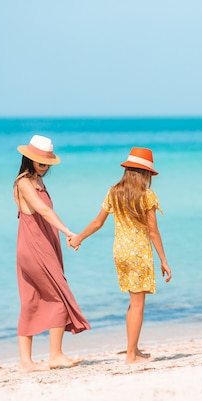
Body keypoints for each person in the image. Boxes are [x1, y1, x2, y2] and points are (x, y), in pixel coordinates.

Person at [69, 147, 172, 364]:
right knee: (138, 304)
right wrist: (163, 259)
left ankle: (132, 350)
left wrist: (79, 238)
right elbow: (153, 231)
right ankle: (131, 356)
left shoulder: (113, 192)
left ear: (127, 170)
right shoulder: (146, 196)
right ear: (145, 174)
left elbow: (98, 222)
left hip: (120, 253)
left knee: (133, 301)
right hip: (139, 253)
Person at [13, 134, 90, 372]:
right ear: (30, 159)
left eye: (47, 163)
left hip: (44, 244)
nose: (45, 167)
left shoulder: (37, 180)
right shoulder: (24, 183)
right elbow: (43, 212)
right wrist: (68, 231)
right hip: (34, 246)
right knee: (58, 295)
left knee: (32, 299)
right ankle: (55, 355)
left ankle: (27, 362)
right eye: (41, 162)